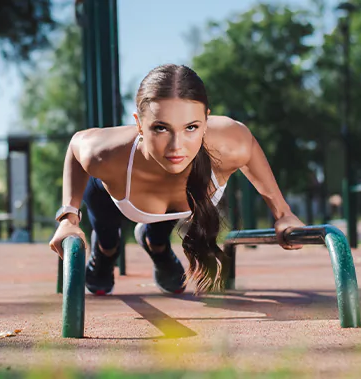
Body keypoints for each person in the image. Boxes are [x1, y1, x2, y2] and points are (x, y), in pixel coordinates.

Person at [49, 63, 304, 295]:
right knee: (107, 239)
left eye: (191, 127)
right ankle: (105, 252)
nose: (176, 147)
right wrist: (68, 218)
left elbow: (250, 151)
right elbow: (74, 146)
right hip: (112, 193)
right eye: (161, 128)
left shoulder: (231, 143)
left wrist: (283, 214)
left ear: (206, 121)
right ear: (139, 125)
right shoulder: (104, 154)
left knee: (166, 218)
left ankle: (156, 245)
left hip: (171, 204)